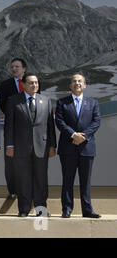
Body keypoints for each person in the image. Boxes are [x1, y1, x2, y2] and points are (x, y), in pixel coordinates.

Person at [4, 73, 56, 217]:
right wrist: (9, 145)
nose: (34, 85)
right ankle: (24, 209)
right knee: (23, 179)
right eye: (31, 83)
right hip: (21, 147)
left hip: (42, 146)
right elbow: (9, 126)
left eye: (36, 83)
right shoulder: (13, 101)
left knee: (41, 179)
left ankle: (41, 209)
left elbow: (50, 126)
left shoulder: (45, 101)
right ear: (23, 85)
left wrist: (53, 145)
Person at [55, 74, 101, 219]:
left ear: (85, 85)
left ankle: (87, 210)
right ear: (70, 85)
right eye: (74, 81)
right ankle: (67, 209)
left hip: (86, 147)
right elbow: (60, 121)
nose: (77, 83)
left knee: (85, 181)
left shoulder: (93, 103)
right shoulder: (62, 102)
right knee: (67, 180)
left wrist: (83, 136)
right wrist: (73, 135)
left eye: (80, 81)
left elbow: (96, 122)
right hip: (68, 148)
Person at [0, 58, 27, 199]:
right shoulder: (5, 85)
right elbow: (2, 104)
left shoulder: (32, 82)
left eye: (17, 66)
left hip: (28, 128)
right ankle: (13, 190)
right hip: (11, 126)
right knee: (10, 160)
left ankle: (27, 188)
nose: (14, 69)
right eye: (12, 67)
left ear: (24, 69)